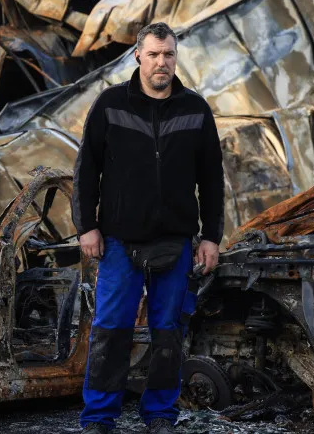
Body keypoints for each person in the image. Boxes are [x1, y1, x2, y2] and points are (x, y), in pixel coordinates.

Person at [73, 22, 225, 434]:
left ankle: (159, 414)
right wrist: (87, 226)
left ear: (176, 57)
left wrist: (211, 236)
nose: (162, 62)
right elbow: (86, 170)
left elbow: (212, 180)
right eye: (154, 54)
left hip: (175, 241)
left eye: (169, 54)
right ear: (138, 55)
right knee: (111, 330)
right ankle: (100, 417)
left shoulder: (195, 110)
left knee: (167, 333)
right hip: (119, 241)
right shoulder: (110, 105)